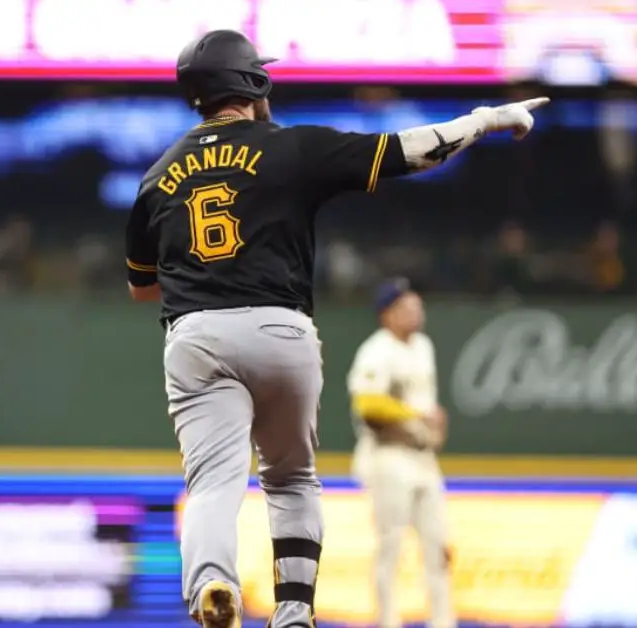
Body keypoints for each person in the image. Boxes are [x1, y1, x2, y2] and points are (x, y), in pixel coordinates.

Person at [123, 29, 547, 628]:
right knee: (291, 478)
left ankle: (212, 587)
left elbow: (143, 287)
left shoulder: (157, 177)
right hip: (280, 330)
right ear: (252, 81)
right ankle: (294, 610)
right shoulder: (291, 148)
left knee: (213, 481)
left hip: (196, 335)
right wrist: (483, 119)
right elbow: (411, 151)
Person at [347, 278, 451, 628]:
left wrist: (433, 425)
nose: (416, 312)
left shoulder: (423, 345)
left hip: (423, 457)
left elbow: (423, 403)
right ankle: (388, 622)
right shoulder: (376, 350)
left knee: (439, 547)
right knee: (391, 546)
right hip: (388, 455)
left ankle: (442, 621)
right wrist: (417, 415)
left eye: (417, 305)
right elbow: (367, 404)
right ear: (387, 314)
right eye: (407, 307)